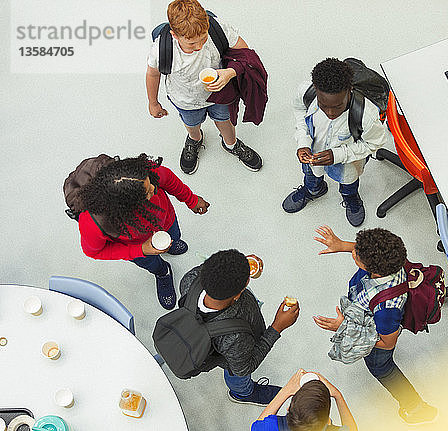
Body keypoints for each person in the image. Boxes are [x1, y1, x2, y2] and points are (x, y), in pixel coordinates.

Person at [312, 225, 438, 425]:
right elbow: (365, 250)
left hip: (377, 340)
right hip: (367, 311)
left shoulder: (387, 308)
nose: (353, 252)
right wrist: (341, 245)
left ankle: (415, 407)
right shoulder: (392, 258)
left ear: (375, 271)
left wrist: (344, 327)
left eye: (356, 254)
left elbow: (387, 343)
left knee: (383, 369)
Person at [77, 154, 209, 310]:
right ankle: (163, 273)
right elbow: (95, 252)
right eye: (147, 193)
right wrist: (140, 250)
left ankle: (171, 246)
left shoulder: (142, 175)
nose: (153, 188)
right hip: (137, 248)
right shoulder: (93, 223)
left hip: (166, 221)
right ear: (125, 206)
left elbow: (169, 179)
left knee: (175, 236)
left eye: (150, 183)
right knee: (152, 264)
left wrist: (191, 199)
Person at [146, 0, 262, 174]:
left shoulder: (218, 28)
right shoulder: (161, 49)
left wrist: (230, 72)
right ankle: (195, 139)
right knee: (191, 123)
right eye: (192, 44)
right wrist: (153, 102)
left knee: (225, 120)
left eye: (203, 39)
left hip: (221, 96)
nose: (199, 46)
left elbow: (247, 55)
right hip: (185, 100)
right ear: (175, 35)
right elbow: (153, 74)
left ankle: (231, 144)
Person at [179, 249, 300, 405]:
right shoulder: (235, 337)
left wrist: (239, 266)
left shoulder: (190, 279)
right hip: (230, 357)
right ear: (237, 295)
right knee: (237, 376)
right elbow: (244, 368)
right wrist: (277, 327)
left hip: (205, 333)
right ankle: (242, 393)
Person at [282, 58, 388, 227]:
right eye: (323, 105)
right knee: (311, 176)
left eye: (338, 106)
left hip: (348, 163)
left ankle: (350, 197)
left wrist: (338, 155)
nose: (330, 112)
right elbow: (300, 110)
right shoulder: (305, 91)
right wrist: (303, 141)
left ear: (350, 90)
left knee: (349, 182)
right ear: (315, 90)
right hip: (313, 155)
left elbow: (374, 143)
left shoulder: (366, 114)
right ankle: (313, 190)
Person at [251, 369, 358, 431]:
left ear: (288, 408)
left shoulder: (271, 426)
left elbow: (258, 425)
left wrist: (285, 391)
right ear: (328, 421)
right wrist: (337, 395)